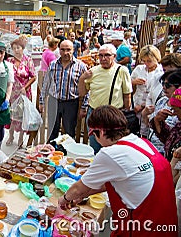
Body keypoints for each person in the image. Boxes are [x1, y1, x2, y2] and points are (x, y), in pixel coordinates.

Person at [58, 105, 177, 237]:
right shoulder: (142, 142)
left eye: (95, 135)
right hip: (167, 224)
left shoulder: (110, 153)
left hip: (142, 226)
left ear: (101, 132)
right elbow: (124, 180)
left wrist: (64, 199)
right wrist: (87, 193)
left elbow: (77, 189)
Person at [79, 44, 132, 154]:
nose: (103, 59)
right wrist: (82, 78)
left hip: (113, 115)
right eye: (101, 55)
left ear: (114, 56)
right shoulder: (93, 71)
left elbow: (127, 95)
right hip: (94, 113)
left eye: (107, 55)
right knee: (95, 146)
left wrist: (126, 112)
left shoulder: (122, 70)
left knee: (113, 149)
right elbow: (83, 93)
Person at [39, 40, 88, 141]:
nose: (65, 53)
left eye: (68, 50)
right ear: (59, 50)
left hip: (71, 104)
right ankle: (52, 154)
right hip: (54, 102)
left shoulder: (81, 66)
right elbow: (46, 84)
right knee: (52, 131)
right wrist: (41, 101)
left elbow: (87, 88)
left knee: (69, 132)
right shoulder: (53, 65)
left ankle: (67, 154)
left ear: (73, 50)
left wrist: (84, 106)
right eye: (63, 50)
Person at [6, 38, 36, 147]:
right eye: (14, 48)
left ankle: (21, 139)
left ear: (23, 48)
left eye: (18, 48)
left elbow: (33, 77)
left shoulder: (28, 60)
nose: (16, 50)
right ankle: (11, 136)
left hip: (24, 93)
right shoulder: (9, 61)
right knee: (12, 115)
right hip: (12, 93)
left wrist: (25, 87)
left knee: (23, 116)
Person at [131, 45, 163, 137]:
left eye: (149, 61)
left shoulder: (160, 72)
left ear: (156, 59)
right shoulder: (139, 69)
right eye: (144, 61)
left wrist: (142, 106)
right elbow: (128, 85)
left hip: (150, 107)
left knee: (147, 131)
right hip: (136, 104)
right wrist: (133, 82)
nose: (146, 64)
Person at [151, 87, 181, 162]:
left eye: (176, 110)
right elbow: (169, 140)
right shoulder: (179, 127)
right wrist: (157, 121)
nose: (174, 113)